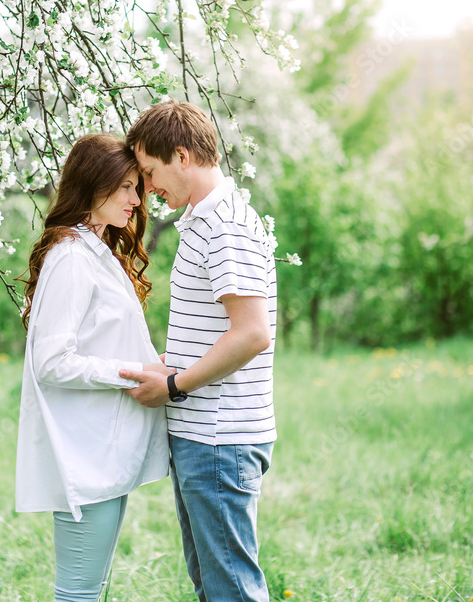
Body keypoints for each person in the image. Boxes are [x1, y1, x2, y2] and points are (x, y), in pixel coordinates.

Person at [120, 100, 278, 602]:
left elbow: (252, 333)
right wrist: (174, 365)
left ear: (182, 156)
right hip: (204, 436)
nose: (147, 188)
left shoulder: (225, 226)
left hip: (219, 438)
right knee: (213, 585)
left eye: (150, 172)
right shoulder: (203, 221)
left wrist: (173, 385)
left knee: (231, 590)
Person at [15, 133, 170, 602]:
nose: (136, 198)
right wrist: (132, 373)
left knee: (88, 591)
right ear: (92, 185)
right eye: (124, 187)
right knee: (78, 595)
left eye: (136, 186)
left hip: (103, 451)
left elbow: (107, 337)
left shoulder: (93, 251)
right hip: (84, 456)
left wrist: (155, 364)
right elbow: (51, 362)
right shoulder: (70, 257)